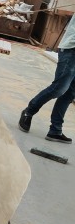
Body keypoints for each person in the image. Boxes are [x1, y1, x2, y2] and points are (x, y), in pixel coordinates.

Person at [19, 14, 75, 143]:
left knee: (69, 94)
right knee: (59, 88)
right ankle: (29, 111)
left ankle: (55, 130)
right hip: (72, 51)